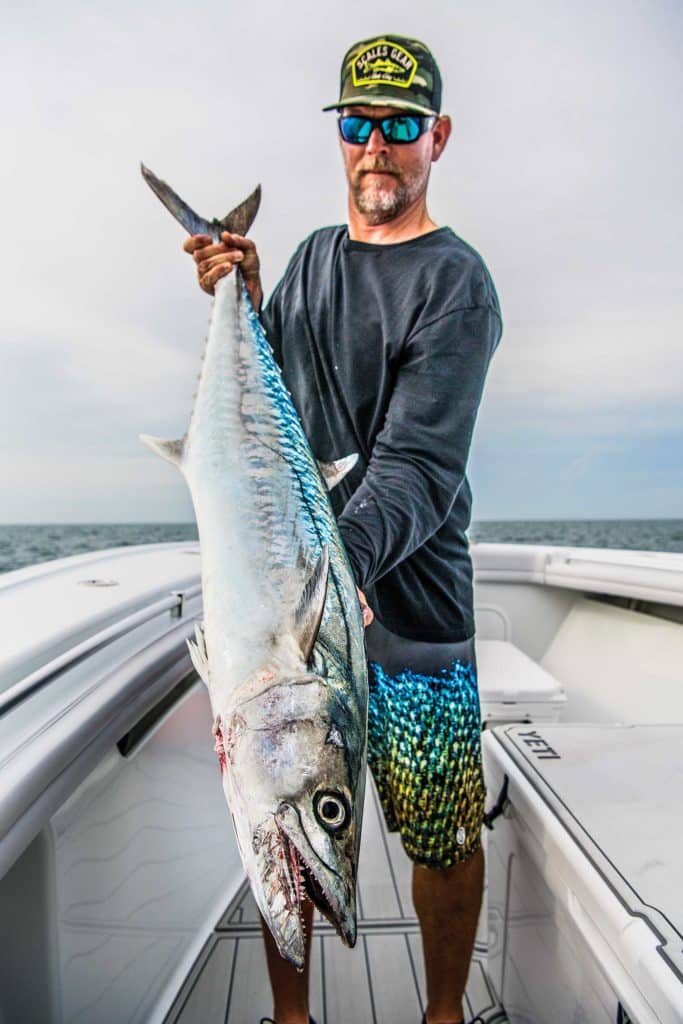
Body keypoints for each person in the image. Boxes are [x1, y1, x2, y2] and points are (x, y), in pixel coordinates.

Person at [184, 34, 502, 1024]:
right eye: (357, 123)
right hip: (294, 617)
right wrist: (238, 285)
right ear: (340, 135)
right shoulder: (317, 259)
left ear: (435, 138)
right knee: (275, 813)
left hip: (408, 616)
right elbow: (263, 393)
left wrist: (322, 583)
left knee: (439, 832)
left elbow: (414, 468)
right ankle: (292, 1017)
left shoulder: (456, 285)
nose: (376, 147)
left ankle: (441, 1013)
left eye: (399, 125)